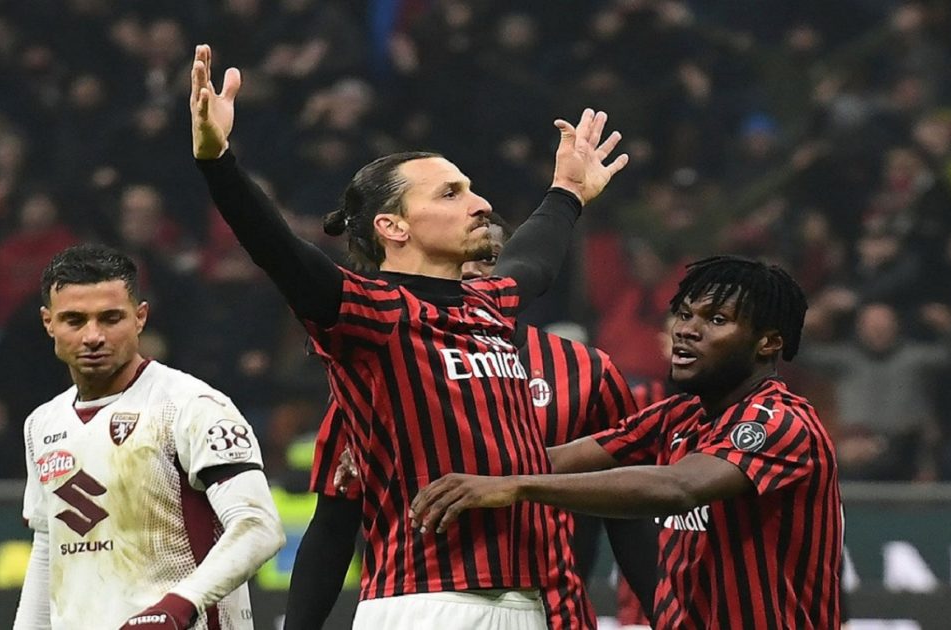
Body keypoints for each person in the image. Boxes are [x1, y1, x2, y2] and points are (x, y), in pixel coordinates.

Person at [189, 42, 628, 630]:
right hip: (427, 601)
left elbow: (535, 261)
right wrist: (218, 163)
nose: (481, 204)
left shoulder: (488, 304)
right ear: (392, 226)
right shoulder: (371, 314)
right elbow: (279, 251)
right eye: (451, 193)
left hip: (527, 603)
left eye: (470, 188)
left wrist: (566, 192)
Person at [411, 255, 844, 629]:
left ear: (769, 342)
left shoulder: (779, 422)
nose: (687, 330)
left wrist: (517, 486)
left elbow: (678, 488)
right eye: (685, 315)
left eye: (716, 320)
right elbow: (541, 460)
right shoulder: (678, 416)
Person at [285, 216, 657, 629]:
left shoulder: (585, 371)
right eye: (455, 259)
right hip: (423, 606)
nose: (470, 271)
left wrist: (670, 619)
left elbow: (631, 515)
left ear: (516, 275)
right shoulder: (383, 366)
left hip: (554, 613)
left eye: (487, 258)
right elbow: (333, 525)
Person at [12, 244, 285, 630]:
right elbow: (48, 549)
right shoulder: (42, 424)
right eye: (74, 320)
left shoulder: (193, 405)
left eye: (111, 318)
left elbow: (258, 525)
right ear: (48, 322)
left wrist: (177, 606)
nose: (93, 336)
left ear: (140, 317)